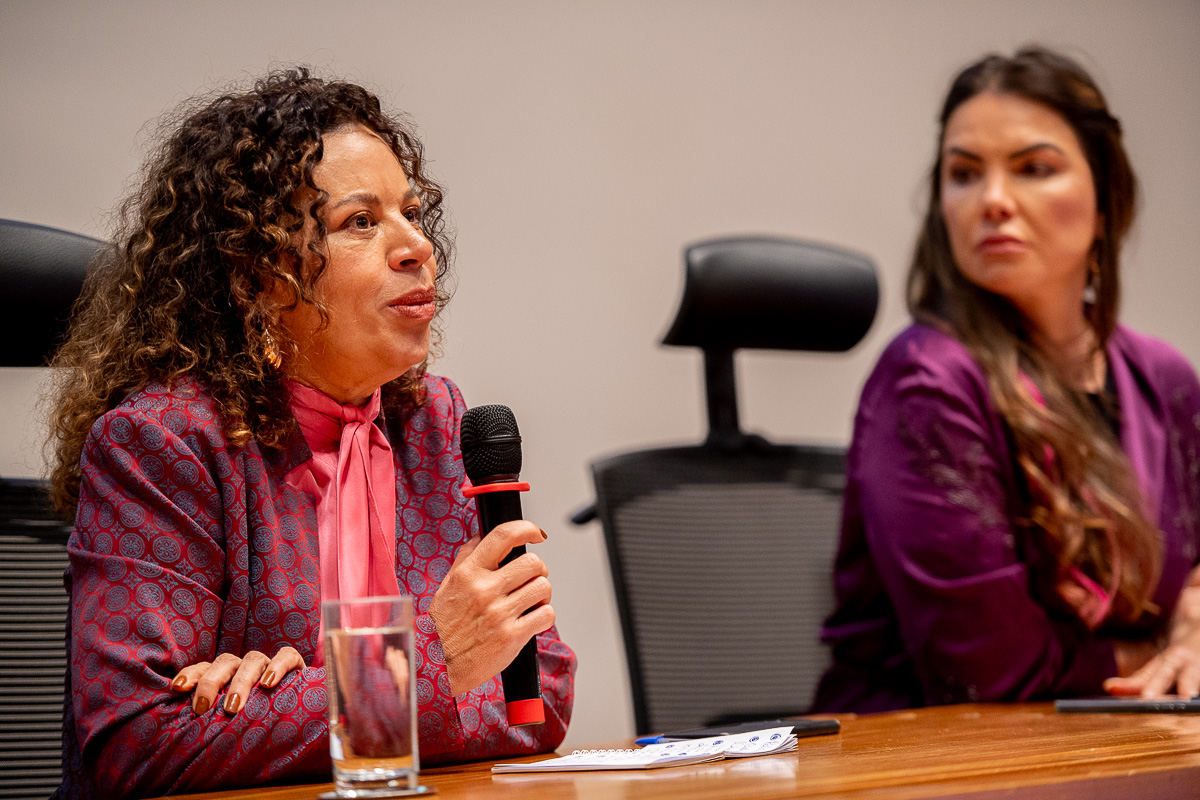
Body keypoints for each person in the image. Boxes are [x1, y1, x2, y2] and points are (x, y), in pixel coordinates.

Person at [48, 69, 575, 798]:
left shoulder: (435, 424)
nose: (417, 246)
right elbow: (137, 744)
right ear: (259, 273)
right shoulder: (163, 444)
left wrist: (286, 706)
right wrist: (436, 659)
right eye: (361, 222)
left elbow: (537, 700)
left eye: (411, 213)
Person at [811, 47, 1200, 714]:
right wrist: (1157, 648)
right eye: (964, 174)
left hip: (1122, 740)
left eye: (1034, 169)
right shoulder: (926, 382)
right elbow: (994, 670)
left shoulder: (1165, 379)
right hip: (931, 752)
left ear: (1106, 199)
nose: (992, 200)